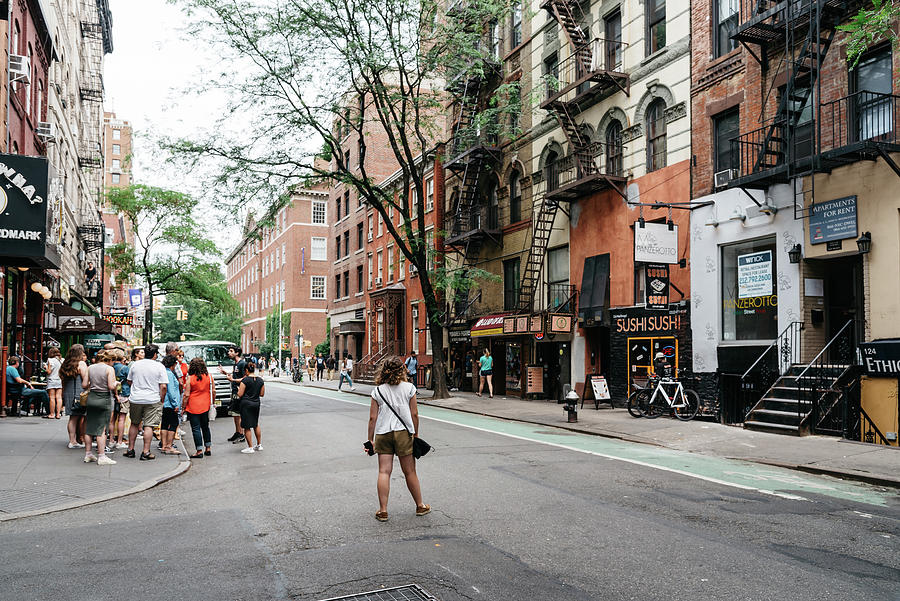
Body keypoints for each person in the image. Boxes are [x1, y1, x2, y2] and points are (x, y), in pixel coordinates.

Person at [365, 356, 430, 522]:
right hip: (403, 433)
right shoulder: (409, 388)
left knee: (384, 471)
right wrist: (415, 434)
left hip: (383, 433)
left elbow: (373, 418)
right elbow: (414, 414)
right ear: (402, 370)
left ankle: (383, 510)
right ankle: (420, 506)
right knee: (410, 471)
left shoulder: (377, 391)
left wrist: (369, 439)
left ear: (384, 371)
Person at [125, 344, 168, 460]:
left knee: (134, 423)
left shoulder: (135, 365)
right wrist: (161, 398)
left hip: (136, 398)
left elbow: (129, 381)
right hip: (152, 399)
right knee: (148, 425)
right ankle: (145, 452)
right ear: (155, 354)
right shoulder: (159, 366)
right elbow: (163, 386)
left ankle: (130, 449)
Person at [81, 350, 117, 465]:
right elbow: (111, 386)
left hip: (91, 398)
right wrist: (116, 383)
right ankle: (102, 456)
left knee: (89, 427)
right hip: (104, 399)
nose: (113, 363)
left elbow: (84, 385)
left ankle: (88, 454)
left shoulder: (90, 367)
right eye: (113, 361)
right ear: (109, 360)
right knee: (102, 428)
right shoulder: (109, 369)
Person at [183, 357, 213, 458]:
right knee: (205, 427)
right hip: (205, 405)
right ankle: (208, 448)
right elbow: (213, 391)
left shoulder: (190, 379)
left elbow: (186, 395)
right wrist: (211, 401)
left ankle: (199, 451)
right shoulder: (209, 377)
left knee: (196, 429)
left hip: (193, 406)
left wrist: (183, 407)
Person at [60, 345, 88, 448]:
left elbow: (63, 381)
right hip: (80, 394)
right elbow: (85, 382)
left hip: (69, 393)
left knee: (72, 418)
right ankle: (81, 440)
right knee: (83, 417)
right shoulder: (81, 364)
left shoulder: (65, 364)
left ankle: (72, 440)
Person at [220, 346, 247, 444]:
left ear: (237, 353)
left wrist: (233, 380)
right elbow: (236, 375)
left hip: (240, 392)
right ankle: (237, 432)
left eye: (231, 351)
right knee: (235, 414)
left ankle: (242, 434)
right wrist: (225, 373)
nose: (229, 352)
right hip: (234, 391)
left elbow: (245, 378)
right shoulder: (235, 364)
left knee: (239, 414)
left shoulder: (242, 364)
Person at [236, 361, 265, 454]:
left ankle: (250, 447)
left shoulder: (245, 380)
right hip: (256, 403)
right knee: (255, 424)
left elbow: (240, 394)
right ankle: (259, 445)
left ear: (247, 370)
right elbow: (262, 394)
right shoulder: (260, 380)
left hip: (246, 404)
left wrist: (238, 391)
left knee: (247, 426)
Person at [159, 355, 182, 455]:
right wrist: (175, 404)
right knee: (173, 424)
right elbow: (171, 391)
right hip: (170, 404)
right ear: (174, 364)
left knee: (164, 424)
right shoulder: (170, 374)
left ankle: (164, 446)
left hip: (164, 403)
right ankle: (169, 446)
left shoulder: (163, 373)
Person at [108, 349, 130, 448]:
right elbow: (130, 380)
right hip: (124, 393)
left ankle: (111, 440)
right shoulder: (125, 368)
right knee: (122, 418)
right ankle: (119, 441)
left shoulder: (110, 367)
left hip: (111, 393)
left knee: (112, 419)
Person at [45, 347, 63, 419]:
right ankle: (58, 414)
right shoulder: (62, 360)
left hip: (52, 380)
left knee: (52, 397)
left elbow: (49, 372)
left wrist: (45, 367)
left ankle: (52, 414)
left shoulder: (50, 360)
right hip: (59, 380)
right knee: (59, 397)